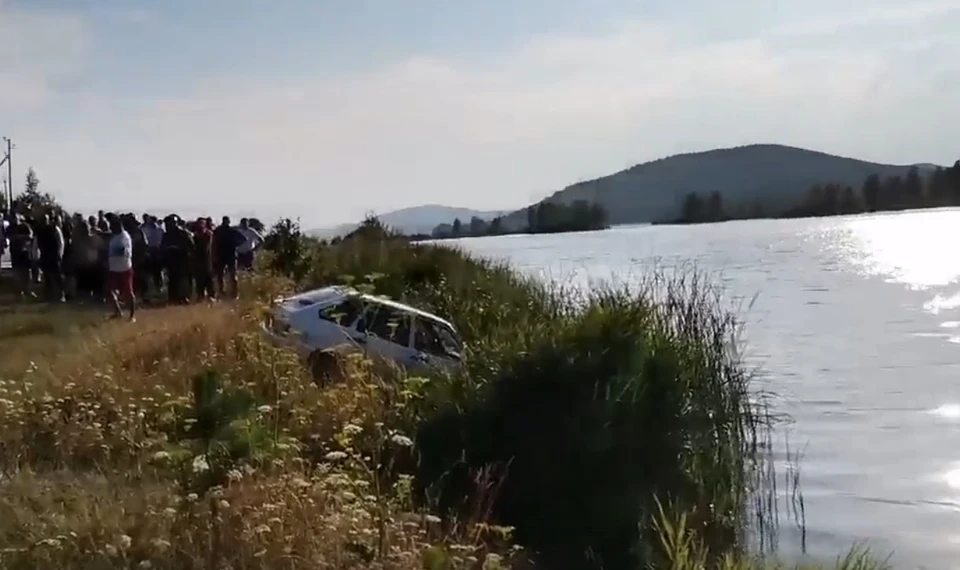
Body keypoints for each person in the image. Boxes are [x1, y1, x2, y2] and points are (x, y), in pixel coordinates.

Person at [106, 217, 136, 321]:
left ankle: (132, 316)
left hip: (124, 268)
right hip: (114, 268)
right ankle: (118, 312)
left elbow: (124, 251)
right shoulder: (115, 236)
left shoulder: (125, 237)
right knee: (110, 291)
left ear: (118, 226)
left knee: (129, 293)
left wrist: (113, 252)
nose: (111, 229)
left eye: (112, 227)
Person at [36, 213, 65, 302]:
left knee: (57, 276)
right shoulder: (40, 231)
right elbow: (36, 243)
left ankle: (62, 294)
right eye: (42, 219)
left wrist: (60, 254)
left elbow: (61, 242)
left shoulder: (55, 229)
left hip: (54, 255)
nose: (44, 221)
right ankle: (48, 295)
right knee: (46, 276)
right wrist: (36, 255)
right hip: (45, 254)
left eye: (45, 219)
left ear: (48, 220)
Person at [212, 216, 243, 299]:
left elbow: (243, 239)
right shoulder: (229, 230)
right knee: (224, 275)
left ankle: (231, 293)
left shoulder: (221, 230)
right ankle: (229, 293)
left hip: (227, 254)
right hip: (226, 254)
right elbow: (243, 239)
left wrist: (236, 245)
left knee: (226, 275)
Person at [192, 217, 215, 300]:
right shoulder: (194, 236)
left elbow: (207, 247)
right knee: (200, 280)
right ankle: (200, 296)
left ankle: (211, 296)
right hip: (198, 261)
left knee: (209, 279)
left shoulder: (208, 234)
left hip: (207, 260)